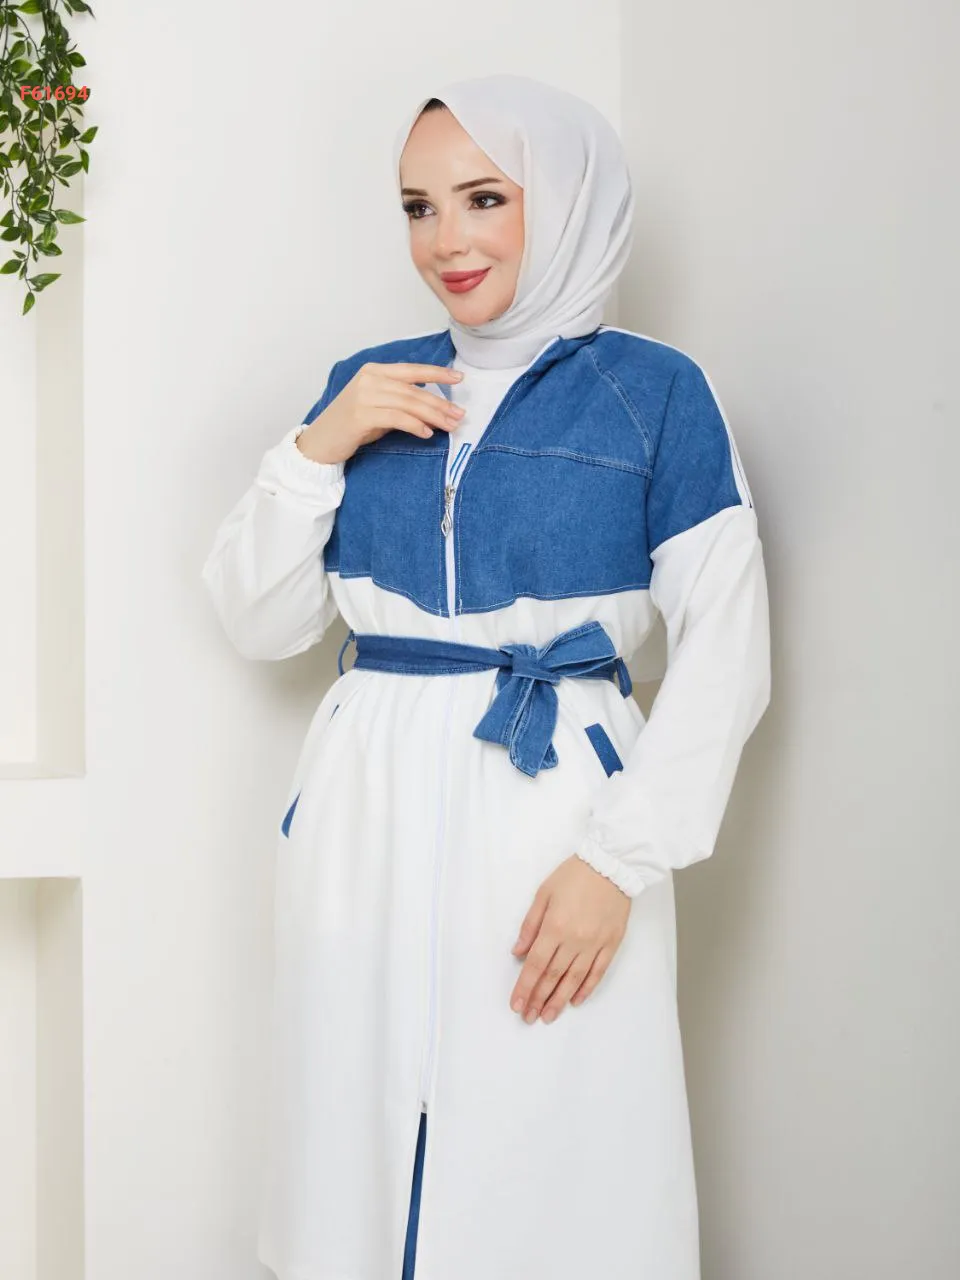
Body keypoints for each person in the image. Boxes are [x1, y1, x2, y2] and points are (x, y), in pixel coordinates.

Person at [201, 72, 771, 1280]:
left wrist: (620, 860)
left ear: (561, 199)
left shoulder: (655, 392)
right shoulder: (369, 382)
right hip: (366, 803)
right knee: (355, 1121)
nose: (446, 241)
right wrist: (320, 444)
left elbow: (729, 647)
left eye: (483, 198)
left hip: (559, 804)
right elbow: (259, 618)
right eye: (418, 207)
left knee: (558, 1122)